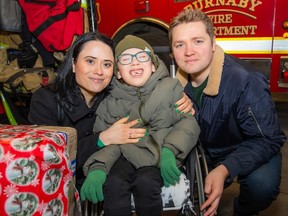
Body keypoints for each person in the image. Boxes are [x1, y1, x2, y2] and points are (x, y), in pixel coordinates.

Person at [28, 32, 193, 192]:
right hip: (57, 186)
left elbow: (151, 102)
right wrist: (102, 139)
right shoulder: (46, 100)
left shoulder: (112, 96)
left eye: (107, 64)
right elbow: (46, 158)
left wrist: (179, 98)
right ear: (73, 64)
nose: (99, 71)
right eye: (90, 61)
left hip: (113, 177)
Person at [168, 9, 287, 216]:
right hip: (200, 150)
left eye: (198, 41)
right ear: (172, 51)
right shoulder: (170, 87)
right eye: (180, 44)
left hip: (241, 147)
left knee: (262, 185)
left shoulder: (245, 81)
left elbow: (269, 139)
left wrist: (225, 169)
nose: (189, 51)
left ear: (213, 44)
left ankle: (242, 211)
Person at [80, 35, 200, 216]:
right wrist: (98, 167)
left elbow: (187, 122)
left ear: (153, 65)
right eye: (126, 59)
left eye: (142, 57)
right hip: (125, 155)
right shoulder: (110, 102)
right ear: (118, 72)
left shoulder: (170, 88)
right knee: (114, 184)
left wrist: (170, 149)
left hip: (159, 155)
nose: (135, 63)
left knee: (146, 183)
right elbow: (108, 140)